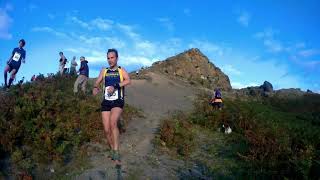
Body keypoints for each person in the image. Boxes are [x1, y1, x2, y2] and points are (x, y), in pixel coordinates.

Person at [92, 49, 131, 164]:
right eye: (108, 58)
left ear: (117, 58)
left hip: (118, 100)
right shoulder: (104, 70)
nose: (110, 60)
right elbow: (97, 81)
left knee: (113, 122)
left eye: (112, 57)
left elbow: (128, 80)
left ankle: (116, 151)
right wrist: (95, 87)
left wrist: (115, 85)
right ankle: (112, 149)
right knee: (106, 129)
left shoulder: (121, 70)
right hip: (106, 101)